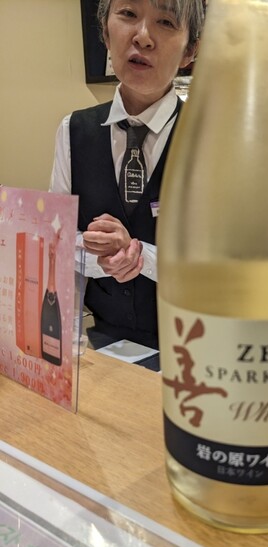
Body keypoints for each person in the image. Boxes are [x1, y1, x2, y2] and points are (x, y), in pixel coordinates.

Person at [50, 0, 205, 349]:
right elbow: (59, 244)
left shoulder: (213, 136)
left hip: (196, 345)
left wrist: (138, 256)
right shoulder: (74, 130)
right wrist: (65, 343)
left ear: (190, 50)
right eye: (129, 14)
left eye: (166, 22)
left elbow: (222, 267)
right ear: (106, 32)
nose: (143, 37)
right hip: (103, 344)